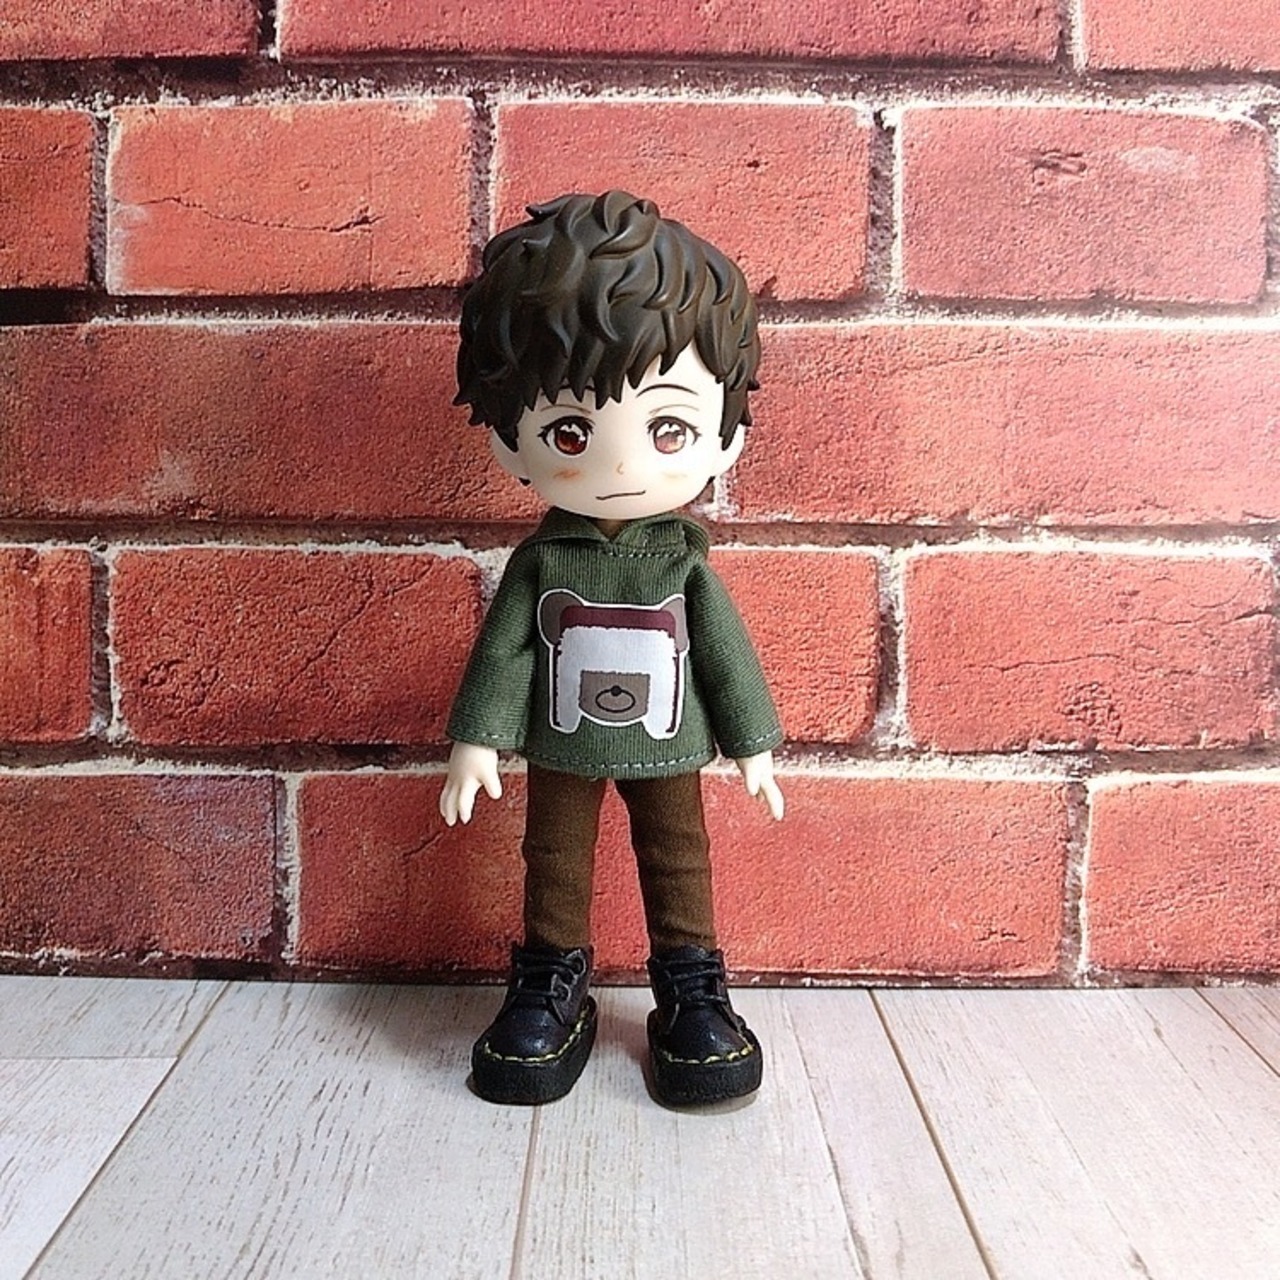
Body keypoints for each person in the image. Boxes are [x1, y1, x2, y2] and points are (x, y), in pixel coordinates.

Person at [441, 190, 784, 1107]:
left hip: (669, 745)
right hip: (561, 745)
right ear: (511, 442)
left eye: (669, 428)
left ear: (725, 436)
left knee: (679, 856)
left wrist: (751, 745)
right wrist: (477, 741)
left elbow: (725, 657)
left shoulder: (685, 564)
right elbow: (504, 655)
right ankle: (551, 980)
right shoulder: (542, 561)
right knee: (554, 858)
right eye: (570, 432)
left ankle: (692, 985)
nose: (625, 463)